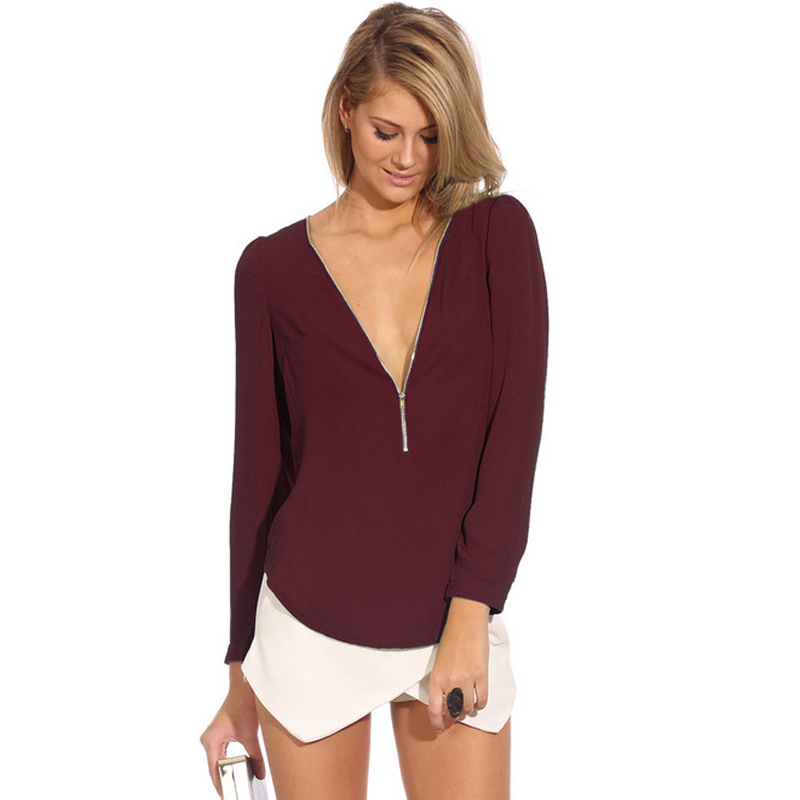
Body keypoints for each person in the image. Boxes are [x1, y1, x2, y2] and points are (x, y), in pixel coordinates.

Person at [200, 3, 549, 798]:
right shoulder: (270, 271)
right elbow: (258, 479)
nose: (409, 158)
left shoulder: (496, 237)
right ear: (346, 110)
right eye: (388, 132)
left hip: (451, 620)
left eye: (431, 136)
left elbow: (514, 437)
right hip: (307, 628)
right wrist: (239, 673)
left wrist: (473, 609)